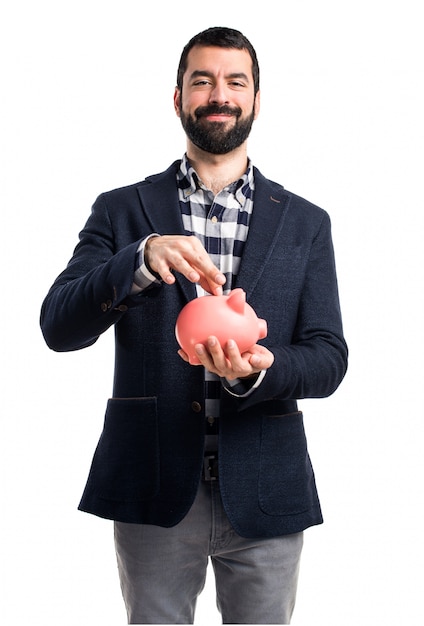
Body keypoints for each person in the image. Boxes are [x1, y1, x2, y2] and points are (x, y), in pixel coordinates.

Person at [40, 26, 348, 625]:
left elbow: (329, 356)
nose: (219, 94)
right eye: (201, 80)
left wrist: (258, 372)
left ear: (257, 99)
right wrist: (139, 260)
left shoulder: (307, 222)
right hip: (154, 485)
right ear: (177, 97)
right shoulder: (122, 209)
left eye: (236, 81)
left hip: (266, 487)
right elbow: (58, 325)